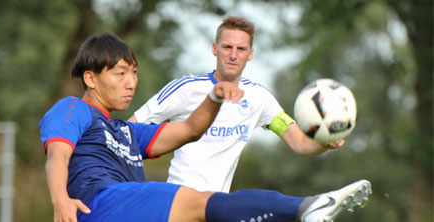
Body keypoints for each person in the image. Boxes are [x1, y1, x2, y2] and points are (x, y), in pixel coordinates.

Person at [40, 32, 371, 222]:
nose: (131, 83)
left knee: (201, 205)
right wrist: (60, 201)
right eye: (120, 73)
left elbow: (188, 131)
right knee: (198, 203)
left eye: (135, 73)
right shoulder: (72, 108)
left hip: (127, 211)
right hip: (101, 204)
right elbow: (58, 156)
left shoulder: (125, 131)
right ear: (90, 78)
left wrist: (214, 96)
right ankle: (304, 208)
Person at [130, 16, 347, 193]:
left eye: (241, 49)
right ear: (215, 48)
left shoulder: (259, 98)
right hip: (177, 202)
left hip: (217, 209)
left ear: (250, 54)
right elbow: (127, 131)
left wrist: (323, 144)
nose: (234, 55)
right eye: (227, 47)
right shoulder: (185, 89)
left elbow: (299, 142)